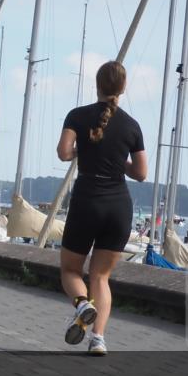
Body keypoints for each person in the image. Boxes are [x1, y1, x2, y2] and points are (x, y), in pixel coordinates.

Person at [56, 61, 147, 356]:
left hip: (87, 201)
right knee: (101, 277)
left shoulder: (77, 115)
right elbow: (141, 173)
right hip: (119, 206)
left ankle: (82, 304)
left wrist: (83, 150)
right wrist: (118, 159)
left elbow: (63, 153)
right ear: (123, 87)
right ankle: (98, 339)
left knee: (71, 269)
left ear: (97, 85)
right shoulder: (132, 125)